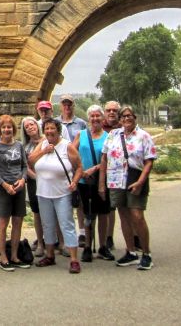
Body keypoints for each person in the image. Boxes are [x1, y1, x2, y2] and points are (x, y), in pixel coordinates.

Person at [99, 105, 157, 270]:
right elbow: (104, 159)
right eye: (123, 116)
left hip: (135, 178)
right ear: (120, 119)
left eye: (129, 115)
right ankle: (131, 252)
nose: (126, 118)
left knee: (137, 215)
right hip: (116, 180)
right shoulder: (113, 135)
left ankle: (146, 253)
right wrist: (101, 184)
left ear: (134, 117)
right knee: (123, 216)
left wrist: (140, 181)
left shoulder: (143, 136)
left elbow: (149, 160)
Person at [29, 118, 84, 274]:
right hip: (43, 193)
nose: (49, 131)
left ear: (58, 130)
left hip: (62, 193)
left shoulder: (67, 146)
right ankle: (50, 255)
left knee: (66, 224)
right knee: (48, 225)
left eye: (52, 128)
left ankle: (74, 259)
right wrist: (43, 151)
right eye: (46, 129)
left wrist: (74, 182)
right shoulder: (43, 144)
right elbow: (31, 160)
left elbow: (79, 167)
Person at [73, 104, 115, 262]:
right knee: (88, 214)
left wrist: (95, 168)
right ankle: (88, 247)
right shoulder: (81, 135)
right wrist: (80, 169)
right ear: (88, 118)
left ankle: (103, 246)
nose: (95, 118)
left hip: (102, 180)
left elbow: (111, 158)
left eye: (98, 116)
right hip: (84, 181)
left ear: (102, 118)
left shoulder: (108, 137)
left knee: (103, 213)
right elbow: (71, 153)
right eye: (92, 116)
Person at [0, 115, 30, 271]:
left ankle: (14, 255)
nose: (7, 129)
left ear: (14, 129)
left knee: (18, 222)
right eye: (4, 127)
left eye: (9, 127)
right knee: (3, 223)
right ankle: (3, 257)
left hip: (19, 187)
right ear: (0, 130)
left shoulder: (19, 146)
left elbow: (25, 166)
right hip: (3, 189)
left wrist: (23, 180)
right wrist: (4, 185)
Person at [57, 95, 88, 243]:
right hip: (60, 166)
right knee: (62, 200)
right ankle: (62, 235)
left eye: (69, 104)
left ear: (73, 106)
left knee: (79, 200)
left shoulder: (81, 123)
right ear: (61, 105)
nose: (67, 107)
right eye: (65, 104)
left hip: (76, 165)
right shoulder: (55, 123)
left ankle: (81, 231)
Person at [21, 116, 44, 255]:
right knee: (37, 213)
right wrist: (36, 177)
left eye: (32, 124)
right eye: (26, 126)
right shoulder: (24, 146)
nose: (30, 127)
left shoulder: (48, 140)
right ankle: (41, 243)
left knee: (53, 211)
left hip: (50, 180)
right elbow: (25, 166)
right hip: (34, 182)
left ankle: (59, 242)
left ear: (37, 125)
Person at [101, 100, 122, 250]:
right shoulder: (100, 127)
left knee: (126, 207)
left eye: (114, 110)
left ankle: (134, 237)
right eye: (108, 110)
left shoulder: (125, 127)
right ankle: (108, 237)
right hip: (105, 172)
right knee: (109, 208)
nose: (111, 112)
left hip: (122, 173)